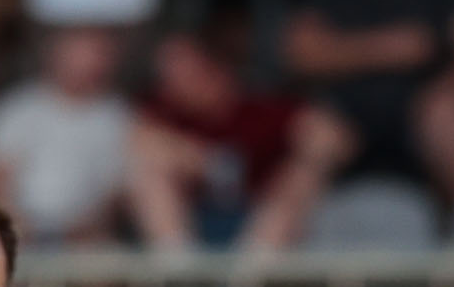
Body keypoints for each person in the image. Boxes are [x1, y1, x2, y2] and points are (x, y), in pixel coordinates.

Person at [285, 0, 454, 204]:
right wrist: (387, 48)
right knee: (313, 137)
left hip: (423, 112)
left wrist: (450, 89)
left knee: (447, 121)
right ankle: (267, 241)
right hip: (348, 117)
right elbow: (301, 55)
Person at [126, 27, 345, 252]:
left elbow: (334, 137)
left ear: (217, 69)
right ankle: (180, 275)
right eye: (168, 75)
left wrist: (310, 154)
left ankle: (248, 280)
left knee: (304, 174)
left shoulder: (261, 108)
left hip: (262, 219)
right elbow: (131, 138)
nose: (174, 83)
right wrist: (203, 160)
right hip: (190, 220)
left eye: (187, 72)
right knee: (145, 167)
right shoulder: (160, 110)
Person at [0, 26, 133, 247]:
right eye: (87, 51)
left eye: (103, 53)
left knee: (106, 259)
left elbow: (116, 193)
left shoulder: (117, 116)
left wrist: (86, 227)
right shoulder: (17, 108)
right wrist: (17, 226)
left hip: (86, 235)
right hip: (19, 229)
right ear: (57, 53)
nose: (96, 62)